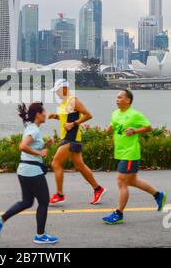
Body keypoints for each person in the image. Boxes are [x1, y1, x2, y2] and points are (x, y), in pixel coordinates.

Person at [0, 102, 59, 244]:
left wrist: (45, 145)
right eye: (44, 111)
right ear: (38, 115)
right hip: (32, 171)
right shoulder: (34, 129)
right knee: (44, 202)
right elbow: (22, 146)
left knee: (27, 202)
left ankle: (1, 219)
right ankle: (40, 236)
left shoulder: (32, 128)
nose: (46, 114)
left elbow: (31, 145)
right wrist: (40, 152)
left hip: (24, 170)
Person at [103, 90, 167, 225]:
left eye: (120, 97)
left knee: (122, 182)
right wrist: (109, 128)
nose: (117, 99)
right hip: (120, 152)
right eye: (116, 98)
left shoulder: (135, 114)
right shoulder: (115, 113)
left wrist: (134, 131)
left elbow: (149, 127)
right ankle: (158, 195)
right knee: (132, 181)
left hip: (130, 153)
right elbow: (114, 125)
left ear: (128, 100)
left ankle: (118, 213)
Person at [48, 79, 106, 206]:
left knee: (56, 163)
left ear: (64, 89)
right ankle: (98, 189)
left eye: (57, 91)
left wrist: (74, 124)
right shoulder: (65, 102)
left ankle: (59, 194)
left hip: (71, 138)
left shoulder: (73, 100)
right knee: (80, 166)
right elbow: (67, 117)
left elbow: (88, 115)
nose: (56, 93)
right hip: (68, 138)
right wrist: (56, 117)